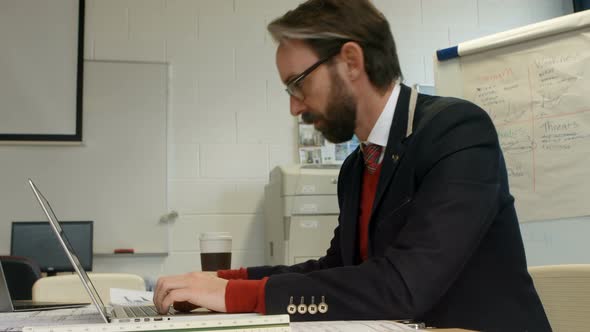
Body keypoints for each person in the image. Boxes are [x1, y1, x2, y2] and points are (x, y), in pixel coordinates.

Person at [154, 1, 551, 330]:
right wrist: (225, 280)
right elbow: (336, 268)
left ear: (351, 61)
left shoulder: (458, 132)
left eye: (298, 83)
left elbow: (403, 286)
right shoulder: (356, 167)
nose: (294, 106)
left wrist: (233, 296)